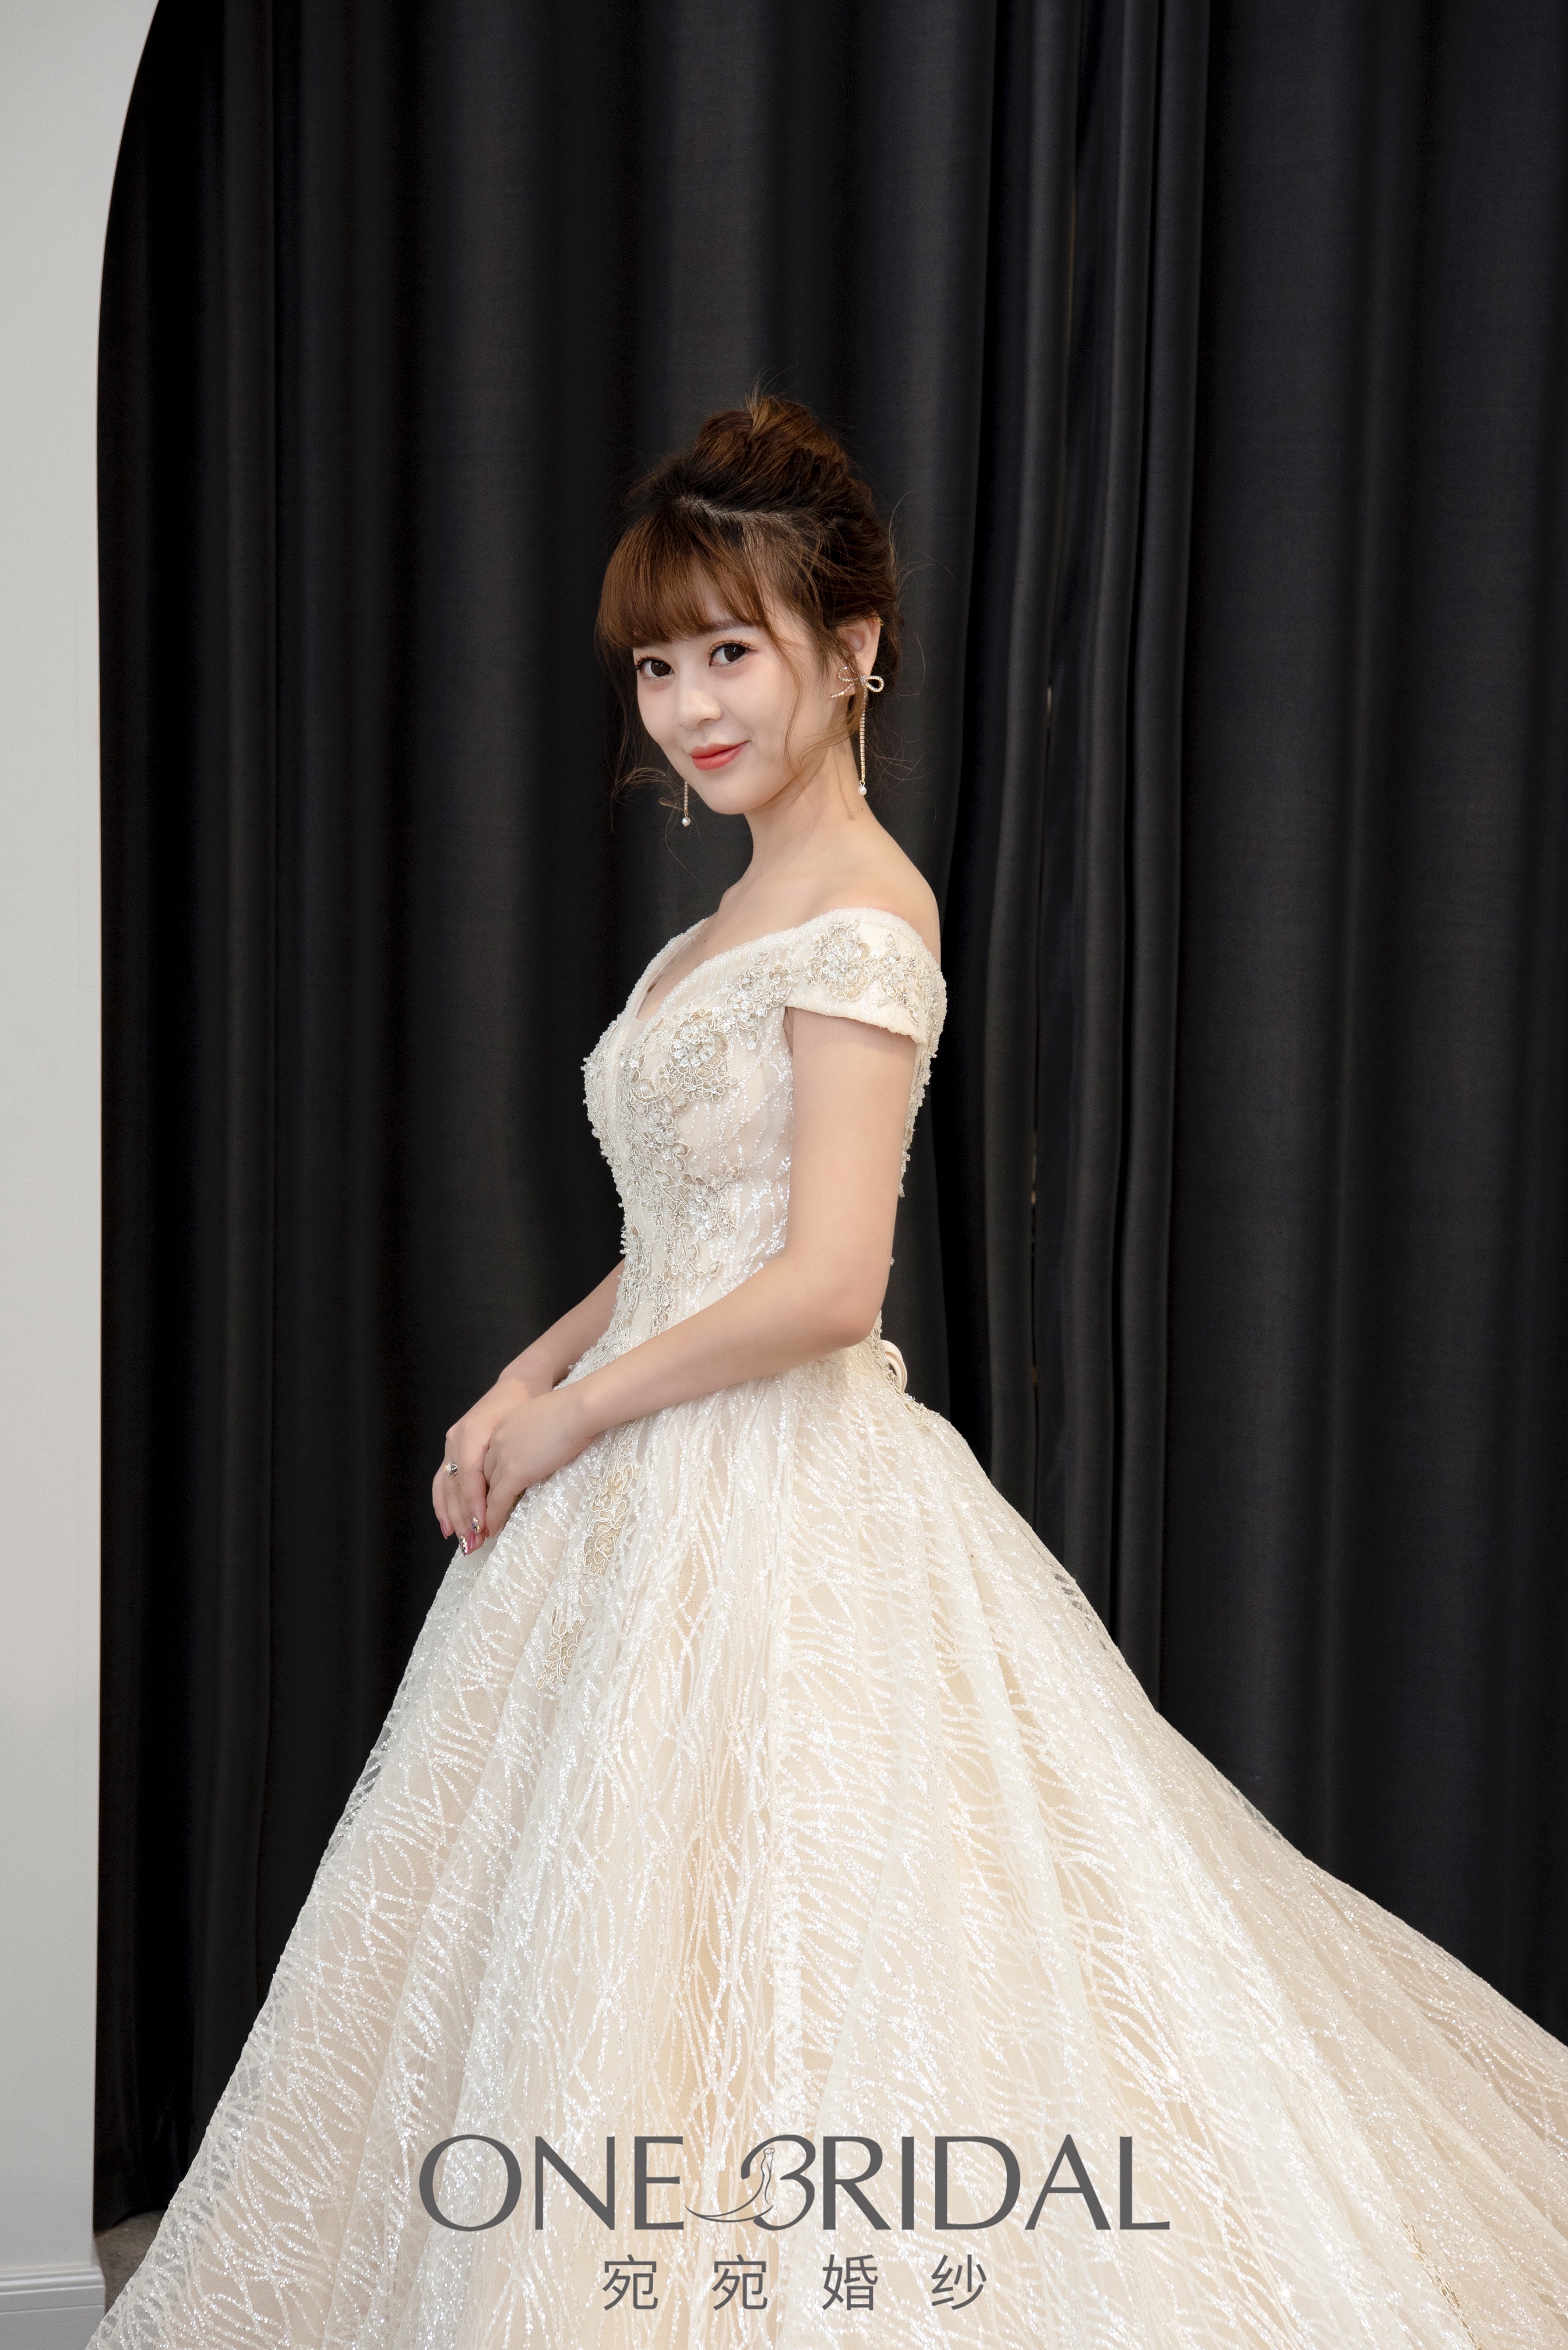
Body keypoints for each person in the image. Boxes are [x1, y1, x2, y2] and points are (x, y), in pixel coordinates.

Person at [97, 396, 1568, 2349]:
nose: (688, 706)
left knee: (809, 1942)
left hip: (775, 1487)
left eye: (731, 649)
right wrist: (517, 1381)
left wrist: (572, 1412)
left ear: (851, 645)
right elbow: (678, 1238)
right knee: (609, 1948)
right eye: (656, 663)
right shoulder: (725, 922)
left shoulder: (868, 914)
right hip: (638, 1481)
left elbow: (823, 1284)